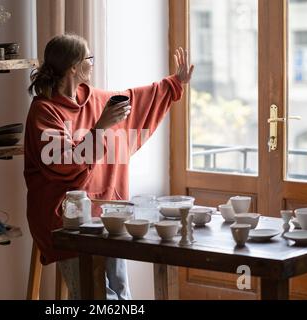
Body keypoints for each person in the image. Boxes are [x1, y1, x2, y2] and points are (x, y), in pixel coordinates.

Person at [24, 34, 194, 299]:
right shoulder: (45, 112)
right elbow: (63, 163)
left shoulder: (97, 100)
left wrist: (175, 83)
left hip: (107, 211)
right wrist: (100, 127)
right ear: (73, 67)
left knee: (121, 292)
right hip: (64, 218)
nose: (93, 63)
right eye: (88, 58)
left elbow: (137, 99)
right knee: (96, 295)